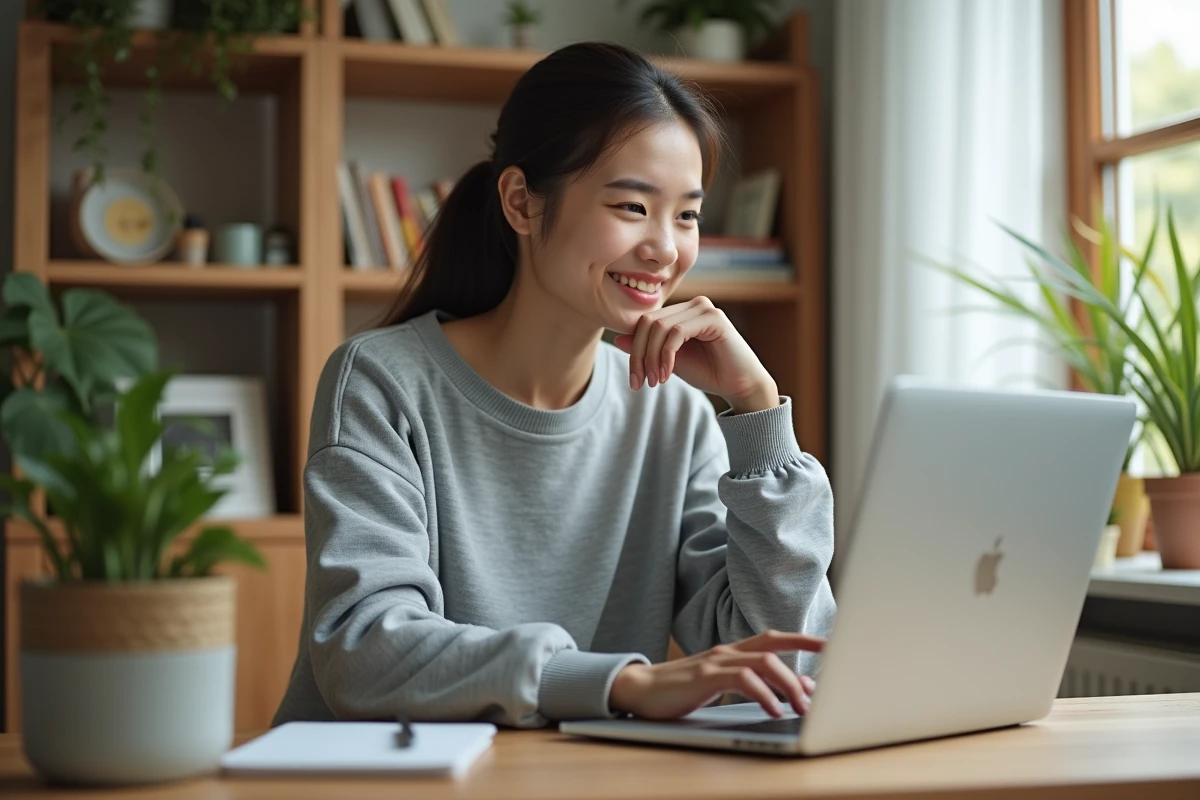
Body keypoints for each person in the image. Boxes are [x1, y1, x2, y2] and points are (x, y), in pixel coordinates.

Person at [273, 41, 835, 730]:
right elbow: (364, 650)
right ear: (521, 202)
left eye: (687, 214)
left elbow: (780, 662)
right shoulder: (383, 382)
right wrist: (620, 683)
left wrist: (757, 413)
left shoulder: (677, 418)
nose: (666, 248)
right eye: (632, 206)